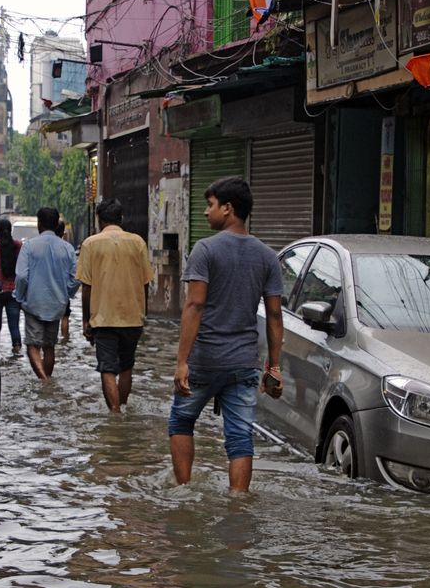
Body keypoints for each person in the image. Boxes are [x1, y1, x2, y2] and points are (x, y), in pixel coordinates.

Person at [167, 177, 284, 493]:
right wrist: (274, 366)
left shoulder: (205, 249)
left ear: (228, 209)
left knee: (181, 422)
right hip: (244, 363)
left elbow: (195, 304)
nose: (206, 212)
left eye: (210, 205)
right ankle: (238, 501)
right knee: (240, 437)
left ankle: (185, 492)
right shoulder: (267, 256)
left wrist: (181, 362)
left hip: (205, 360)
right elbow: (275, 315)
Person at [76, 198, 154, 412]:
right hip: (132, 317)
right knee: (127, 366)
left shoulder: (91, 244)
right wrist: (142, 312)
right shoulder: (138, 242)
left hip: (103, 318)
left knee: (107, 368)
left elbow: (87, 287)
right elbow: (145, 283)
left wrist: (86, 320)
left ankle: (115, 413)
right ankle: (122, 408)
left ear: (99, 219)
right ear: (121, 218)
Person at [14, 207, 78, 380]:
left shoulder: (29, 246)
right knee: (49, 346)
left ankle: (44, 381)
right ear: (57, 224)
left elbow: (21, 276)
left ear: (39, 224)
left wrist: (20, 297)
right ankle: (47, 380)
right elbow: (75, 279)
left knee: (32, 345)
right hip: (57, 304)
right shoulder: (67, 248)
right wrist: (67, 294)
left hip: (33, 303)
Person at [0, 218, 23, 356]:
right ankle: (17, 348)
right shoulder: (18, 245)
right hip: (13, 291)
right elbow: (22, 269)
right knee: (14, 324)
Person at [54, 217, 73, 340]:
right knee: (65, 317)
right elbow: (74, 274)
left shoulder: (45, 246)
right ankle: (65, 340)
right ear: (63, 233)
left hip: (48, 289)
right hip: (63, 289)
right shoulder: (67, 248)